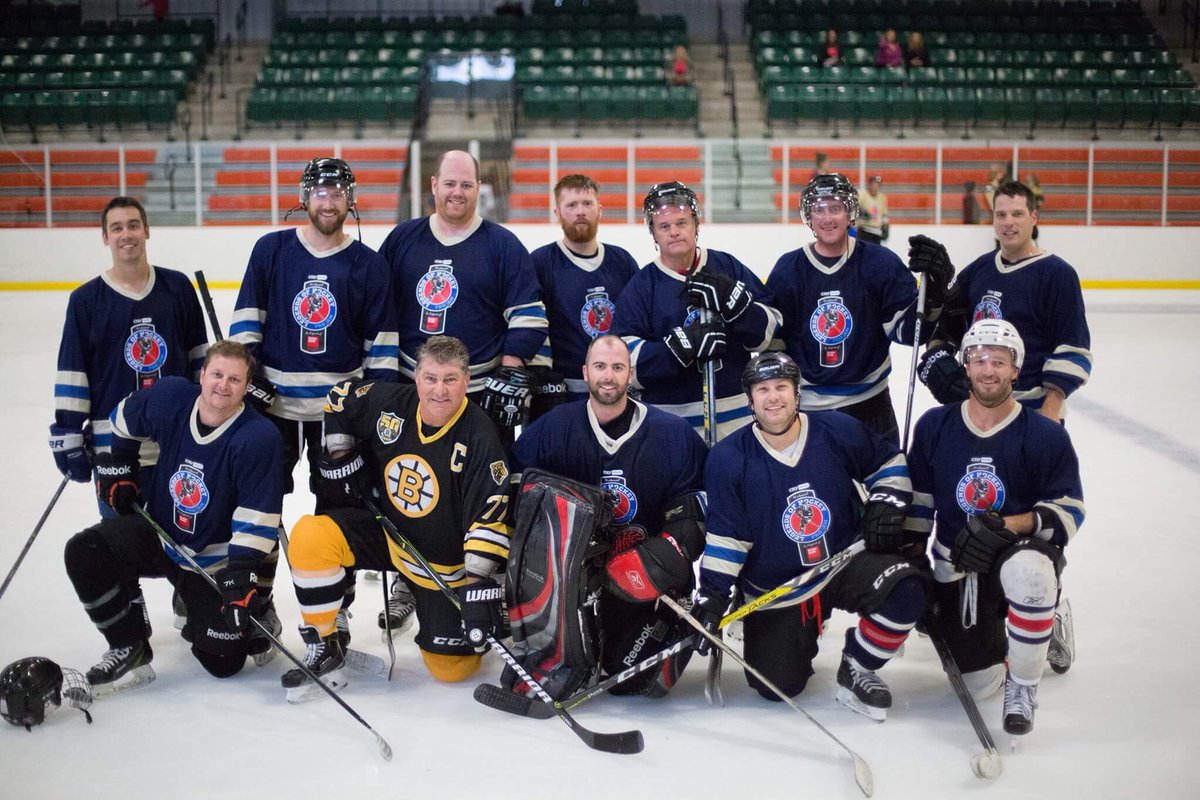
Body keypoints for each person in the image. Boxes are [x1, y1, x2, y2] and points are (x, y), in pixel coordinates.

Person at [693, 352, 926, 720]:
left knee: (907, 589)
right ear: (750, 399)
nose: (774, 397)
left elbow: (889, 462)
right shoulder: (727, 457)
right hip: (782, 587)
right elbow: (728, 536)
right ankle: (804, 623)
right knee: (775, 686)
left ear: (797, 393)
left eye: (782, 387)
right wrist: (713, 595)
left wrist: (887, 500)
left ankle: (859, 665)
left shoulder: (836, 429)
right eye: (763, 389)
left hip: (844, 562)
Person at [280, 336, 512, 700]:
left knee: (452, 670)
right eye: (431, 378)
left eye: (450, 379)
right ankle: (325, 647)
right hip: (387, 534)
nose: (439, 389)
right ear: (416, 376)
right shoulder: (391, 404)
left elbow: (488, 520)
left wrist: (473, 593)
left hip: (443, 564)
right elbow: (339, 396)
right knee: (311, 535)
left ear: (467, 381)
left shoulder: (481, 436)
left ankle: (486, 615)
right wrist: (342, 454)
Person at [63, 341, 284, 693]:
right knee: (85, 550)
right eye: (216, 374)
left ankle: (258, 603)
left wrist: (241, 576)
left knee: (222, 663)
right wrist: (121, 468)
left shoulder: (258, 437)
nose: (222, 386)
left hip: (213, 561)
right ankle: (128, 642)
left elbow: (258, 515)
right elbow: (122, 418)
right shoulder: (171, 399)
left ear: (246, 386)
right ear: (202, 374)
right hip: (161, 534)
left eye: (234, 379)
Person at [905, 320, 1084, 735]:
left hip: (1016, 551)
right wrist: (917, 570)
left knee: (1031, 576)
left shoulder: (1044, 434)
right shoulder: (934, 426)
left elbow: (1070, 509)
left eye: (999, 362)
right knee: (977, 683)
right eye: (980, 359)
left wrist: (1007, 524)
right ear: (966, 366)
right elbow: (920, 505)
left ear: (1016, 370)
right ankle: (1023, 629)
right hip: (958, 564)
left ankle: (1024, 681)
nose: (989, 370)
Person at [510, 335, 708, 697]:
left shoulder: (672, 434)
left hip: (641, 575)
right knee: (559, 662)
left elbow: (693, 513)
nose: (608, 376)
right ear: (585, 372)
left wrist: (663, 559)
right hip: (575, 577)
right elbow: (519, 495)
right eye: (600, 367)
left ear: (630, 374)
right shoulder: (555, 428)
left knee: (632, 681)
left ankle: (674, 619)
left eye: (618, 368)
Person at [230, 157, 399, 500]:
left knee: (342, 509)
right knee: (257, 501)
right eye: (321, 193)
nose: (329, 203)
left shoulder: (370, 265)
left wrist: (372, 410)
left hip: (339, 413)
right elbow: (246, 324)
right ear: (305, 198)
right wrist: (246, 377)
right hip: (274, 409)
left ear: (351, 200)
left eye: (338, 194)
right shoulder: (271, 250)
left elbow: (381, 350)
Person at [765, 173, 952, 445]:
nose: (827, 218)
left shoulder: (880, 262)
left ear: (850, 212)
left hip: (871, 406)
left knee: (887, 483)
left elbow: (909, 332)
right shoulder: (788, 270)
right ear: (809, 216)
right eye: (819, 209)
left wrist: (934, 292)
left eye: (836, 208)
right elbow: (773, 343)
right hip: (808, 410)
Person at [51, 196, 209, 517]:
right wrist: (68, 434)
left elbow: (200, 362)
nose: (127, 234)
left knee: (180, 552)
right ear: (105, 237)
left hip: (176, 443)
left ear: (147, 231)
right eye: (117, 227)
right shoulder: (85, 301)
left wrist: (208, 421)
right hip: (113, 449)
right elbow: (73, 373)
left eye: (134, 225)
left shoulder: (178, 287)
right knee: (119, 551)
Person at [379, 149, 548, 433]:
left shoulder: (503, 245)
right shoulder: (402, 239)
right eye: (450, 184)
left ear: (478, 188)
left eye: (466, 185)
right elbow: (377, 310)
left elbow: (529, 316)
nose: (458, 192)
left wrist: (511, 366)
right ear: (434, 185)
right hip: (412, 389)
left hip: (481, 393)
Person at [612, 181, 781, 441]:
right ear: (654, 234)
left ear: (696, 225)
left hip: (737, 418)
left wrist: (738, 307)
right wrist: (677, 348)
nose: (674, 232)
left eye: (681, 223)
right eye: (664, 226)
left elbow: (768, 333)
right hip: (669, 425)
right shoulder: (642, 287)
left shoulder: (727, 266)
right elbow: (623, 364)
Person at [916, 180, 1092, 424]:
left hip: (1033, 411)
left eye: (1017, 214)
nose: (1009, 222)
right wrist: (938, 359)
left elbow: (1072, 348)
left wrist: (1051, 409)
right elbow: (948, 328)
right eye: (1001, 215)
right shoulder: (979, 269)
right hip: (978, 410)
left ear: (1034, 217)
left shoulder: (1058, 275)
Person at [529, 174, 639, 407]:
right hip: (560, 394)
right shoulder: (539, 263)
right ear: (557, 213)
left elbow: (637, 324)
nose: (580, 211)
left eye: (587, 204)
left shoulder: (622, 261)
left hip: (614, 390)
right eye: (571, 205)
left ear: (600, 209)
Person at [856, 174, 889, 244]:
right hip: (864, 230)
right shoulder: (863, 194)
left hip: (876, 231)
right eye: (873, 184)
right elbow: (854, 207)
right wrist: (861, 212)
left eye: (877, 184)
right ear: (869, 184)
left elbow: (884, 214)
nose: (875, 186)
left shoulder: (882, 197)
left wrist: (886, 228)